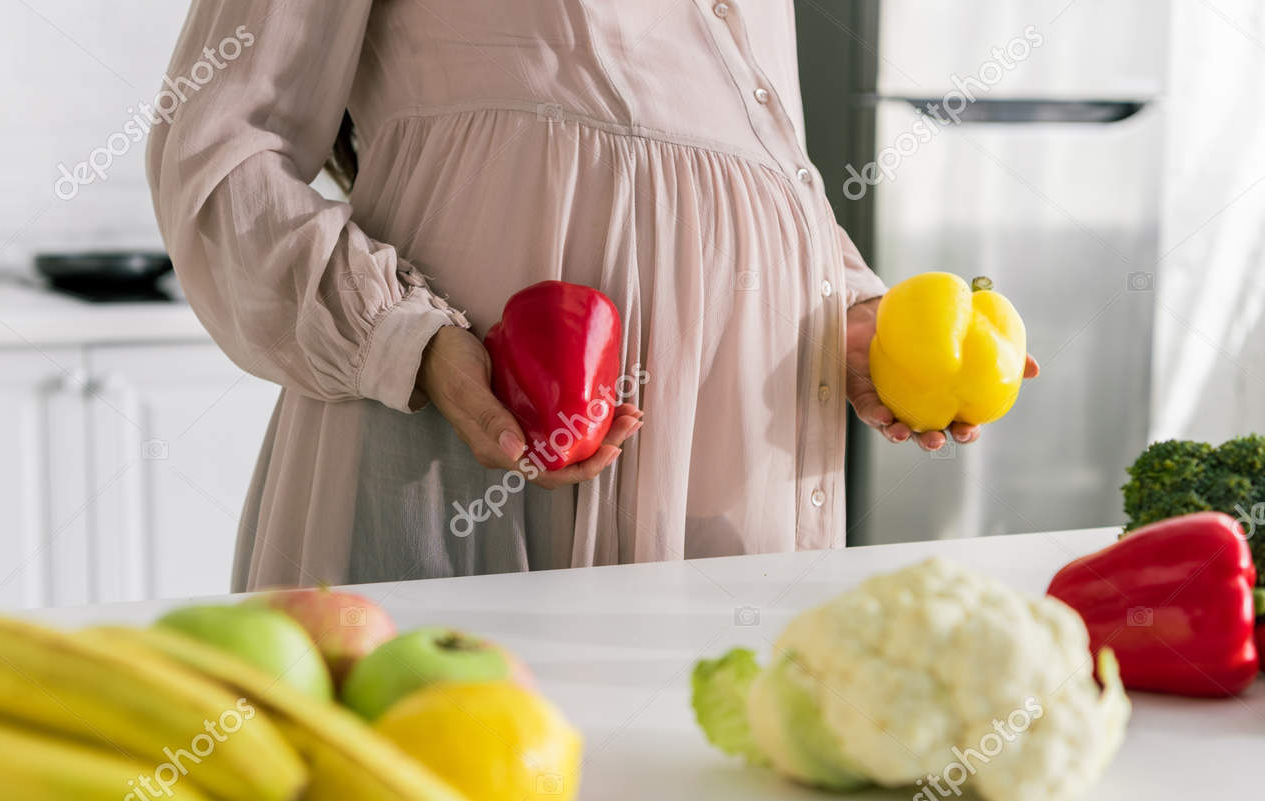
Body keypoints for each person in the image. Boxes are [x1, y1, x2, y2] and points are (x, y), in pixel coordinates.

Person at [147, 1, 1036, 590]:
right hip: (459, 461)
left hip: (734, 480)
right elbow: (218, 149)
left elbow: (748, 162)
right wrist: (403, 338)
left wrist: (837, 306)